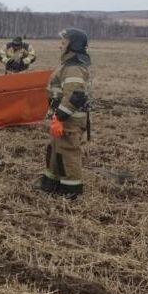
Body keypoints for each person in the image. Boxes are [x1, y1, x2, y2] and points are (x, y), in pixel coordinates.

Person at [40, 28, 90, 199]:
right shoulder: (67, 66)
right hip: (61, 118)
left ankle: (71, 189)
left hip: (69, 120)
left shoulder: (74, 68)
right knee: (55, 150)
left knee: (67, 152)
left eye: (64, 42)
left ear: (73, 46)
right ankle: (51, 183)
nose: (60, 46)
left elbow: (75, 96)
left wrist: (60, 117)